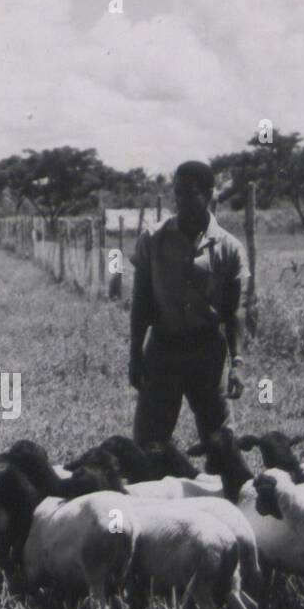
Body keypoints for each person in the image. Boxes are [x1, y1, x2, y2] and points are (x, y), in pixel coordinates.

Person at [129, 161, 246, 448]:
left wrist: (237, 363)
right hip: (163, 351)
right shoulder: (153, 239)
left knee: (222, 443)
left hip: (207, 353)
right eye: (177, 193)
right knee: (148, 445)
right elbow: (141, 301)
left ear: (209, 195)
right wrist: (134, 354)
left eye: (190, 194)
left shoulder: (229, 247)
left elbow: (235, 311)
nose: (181, 201)